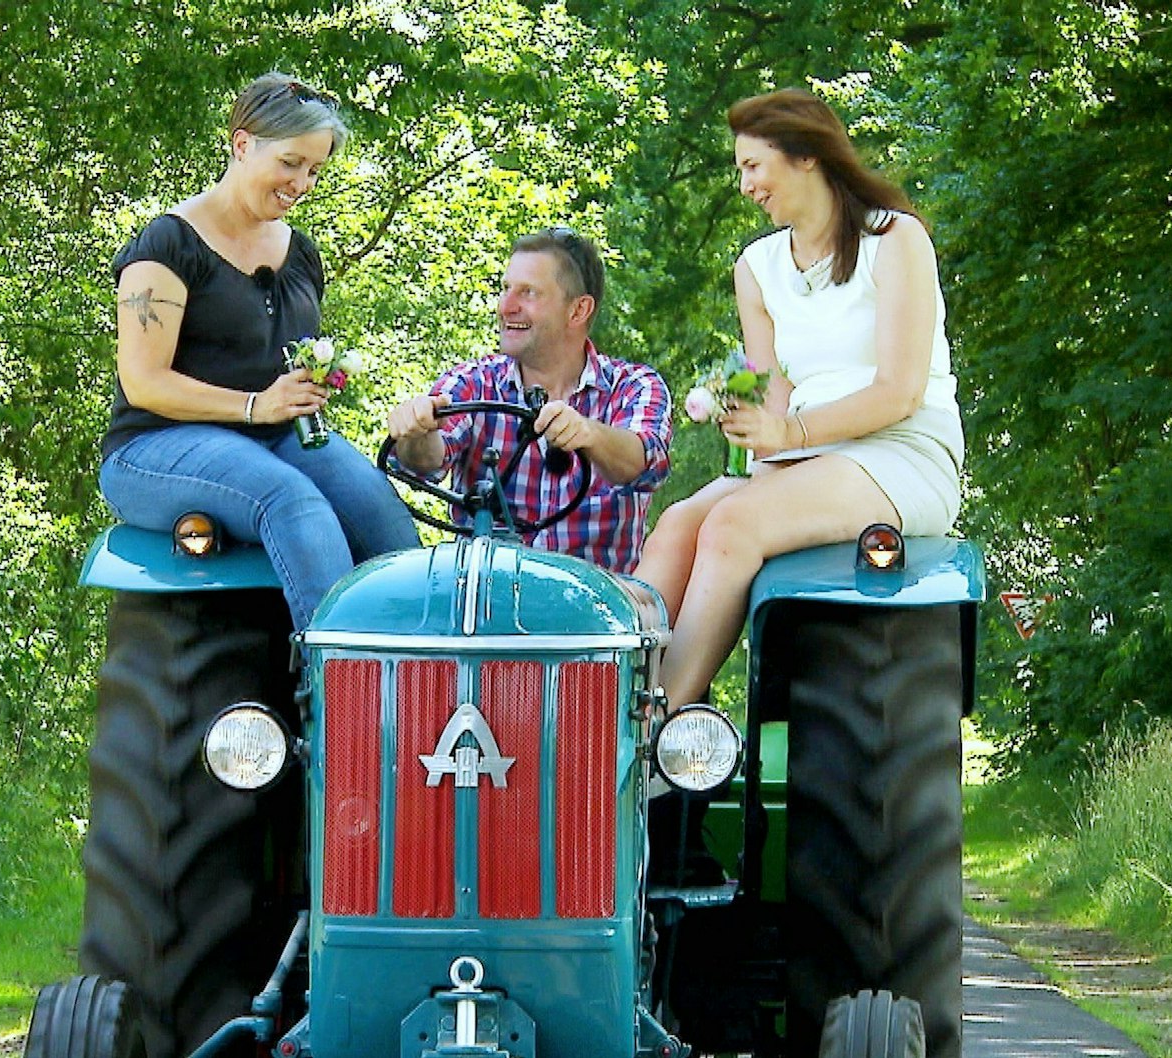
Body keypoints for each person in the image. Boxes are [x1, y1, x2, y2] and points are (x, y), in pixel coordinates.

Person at [633, 88, 965, 708]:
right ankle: (599, 700)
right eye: (739, 170)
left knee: (733, 525)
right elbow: (778, 385)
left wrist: (788, 436)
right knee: (680, 523)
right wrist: (760, 438)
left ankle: (652, 732)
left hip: (899, 453)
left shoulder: (895, 240)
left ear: (806, 156)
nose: (744, 185)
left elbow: (900, 391)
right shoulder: (757, 268)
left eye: (753, 165)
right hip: (808, 456)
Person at [98, 73, 418, 630]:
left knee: (381, 518)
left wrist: (306, 387)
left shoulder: (300, 256)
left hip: (275, 438)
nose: (303, 182)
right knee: (294, 504)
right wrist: (255, 406)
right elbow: (145, 383)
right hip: (153, 447)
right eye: (291, 163)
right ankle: (334, 693)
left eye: (315, 170)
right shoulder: (168, 245)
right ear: (242, 145)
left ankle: (416, 689)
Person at [388, 228, 673, 572]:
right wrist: (417, 431)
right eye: (505, 289)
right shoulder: (473, 382)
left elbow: (642, 463)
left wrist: (589, 435)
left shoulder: (634, 387)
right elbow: (424, 463)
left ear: (578, 310)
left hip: (591, 612)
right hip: (485, 603)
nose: (506, 307)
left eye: (529, 293)